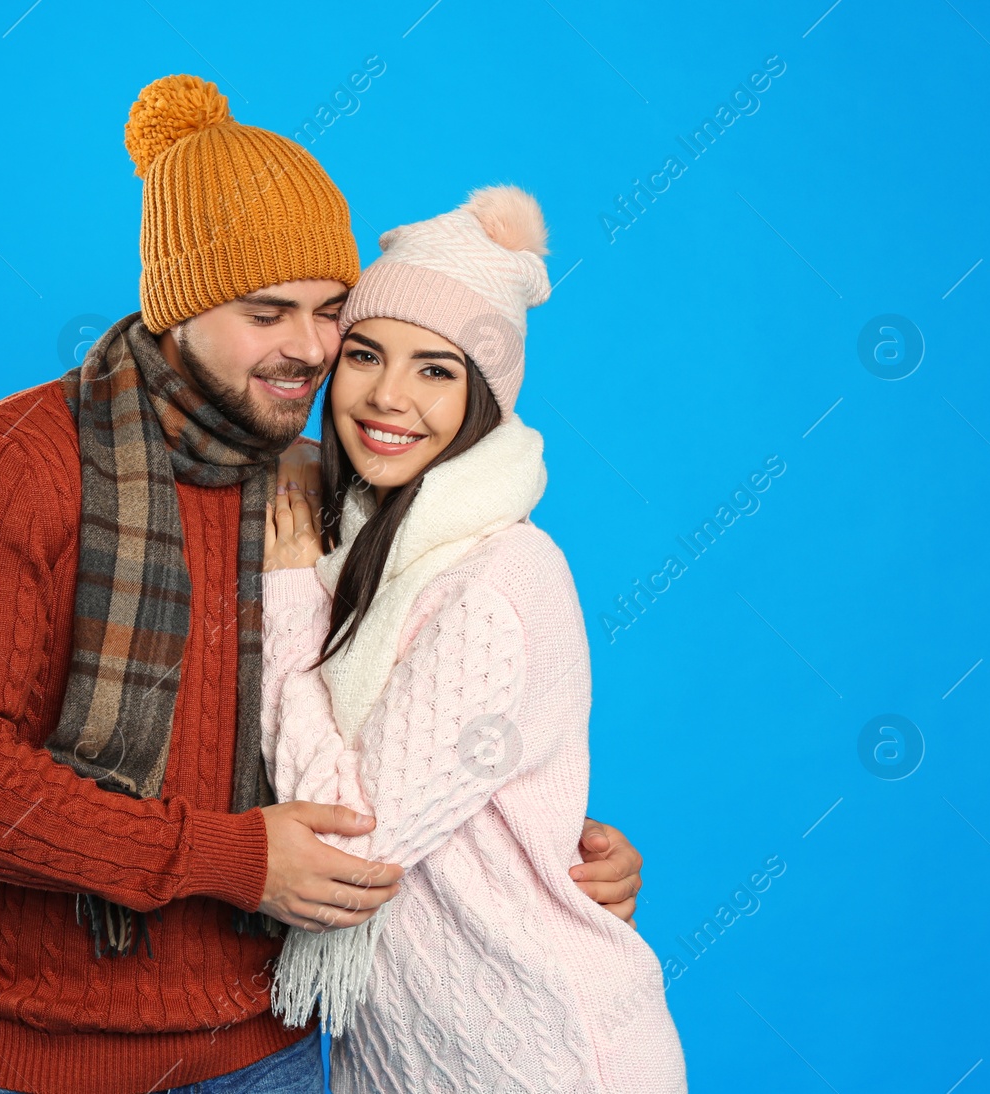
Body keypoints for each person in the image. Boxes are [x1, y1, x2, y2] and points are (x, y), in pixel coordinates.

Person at [0, 73, 647, 1094]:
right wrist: (229, 857)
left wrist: (544, 848)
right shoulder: (2, 464)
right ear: (177, 304)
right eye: (267, 311)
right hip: (34, 1060)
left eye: (330, 313)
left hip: (269, 1048)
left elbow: (405, 717)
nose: (312, 350)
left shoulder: (327, 487)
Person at [257, 185, 686, 1092]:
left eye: (436, 370)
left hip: (547, 1058)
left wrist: (291, 594)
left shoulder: (500, 578)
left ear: (486, 397)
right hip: (400, 1059)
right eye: (365, 355)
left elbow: (349, 858)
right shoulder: (347, 540)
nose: (387, 397)